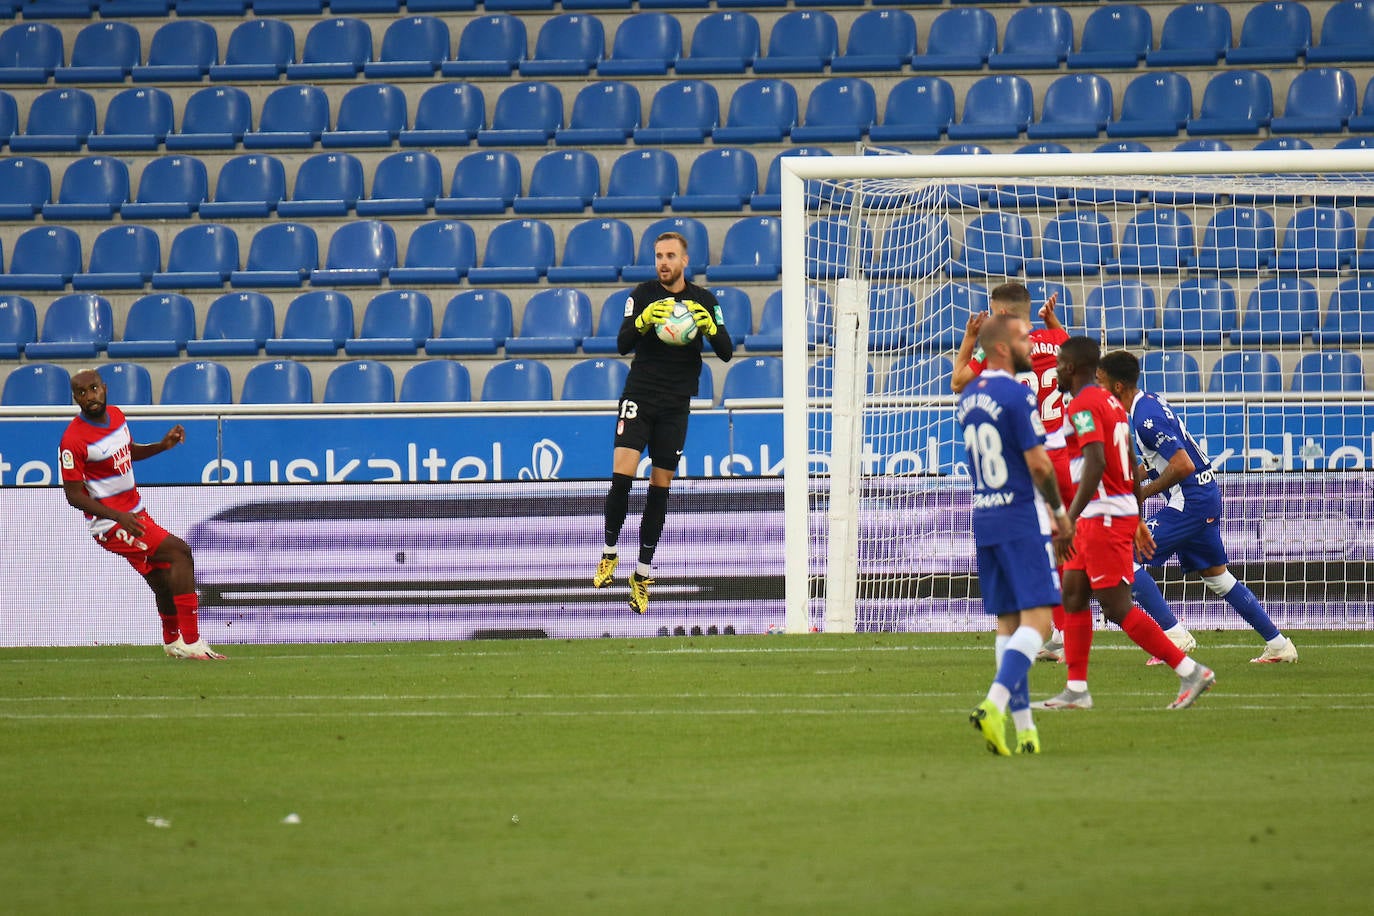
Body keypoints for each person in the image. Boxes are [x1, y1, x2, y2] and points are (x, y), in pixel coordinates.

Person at [1034, 337, 1214, 711]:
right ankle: (1076, 688)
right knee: (1073, 591)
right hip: (1108, 513)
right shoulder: (1114, 405)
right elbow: (1129, 460)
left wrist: (1068, 516)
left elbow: (1098, 461)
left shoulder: (1084, 404)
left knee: (1116, 606)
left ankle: (1190, 670)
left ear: (1074, 368)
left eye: (1060, 364)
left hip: (1101, 515)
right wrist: (1135, 515)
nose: (1055, 371)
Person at [1097, 350, 1298, 664]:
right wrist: (1124, 481)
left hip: (1189, 501)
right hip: (1203, 496)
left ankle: (1173, 633)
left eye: (1100, 381)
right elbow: (1158, 463)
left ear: (1117, 386)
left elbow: (1182, 464)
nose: (1098, 388)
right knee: (1217, 577)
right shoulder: (1149, 403)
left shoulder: (1145, 419)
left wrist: (1144, 493)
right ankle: (1278, 644)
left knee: (1121, 554)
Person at [593, 232, 733, 614]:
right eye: (658, 256)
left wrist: (710, 327)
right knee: (621, 475)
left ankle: (641, 574)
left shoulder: (704, 301)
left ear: (685, 260)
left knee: (660, 484)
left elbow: (726, 351)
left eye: (671, 255)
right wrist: (641, 321)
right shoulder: (641, 295)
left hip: (676, 404)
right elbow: (622, 344)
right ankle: (609, 552)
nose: (663, 262)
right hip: (639, 395)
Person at [959, 314, 1073, 756]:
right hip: (1021, 516)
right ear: (1004, 348)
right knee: (1040, 624)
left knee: (1009, 625)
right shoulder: (1015, 395)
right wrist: (1060, 512)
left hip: (984, 516)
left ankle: (1025, 732)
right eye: (1026, 339)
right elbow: (1040, 463)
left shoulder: (969, 397)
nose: (1033, 346)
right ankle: (994, 704)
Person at [59, 368, 225, 660]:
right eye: (82, 393)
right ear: (75, 398)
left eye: (94, 388)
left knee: (162, 579)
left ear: (105, 388)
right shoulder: (73, 440)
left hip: (134, 513)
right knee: (180, 554)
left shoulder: (118, 416)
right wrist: (117, 516)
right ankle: (192, 641)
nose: (90, 396)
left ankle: (173, 641)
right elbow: (73, 496)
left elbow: (128, 451)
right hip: (112, 524)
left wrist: (162, 446)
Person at [951, 282, 1075, 660]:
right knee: (1064, 548)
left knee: (1047, 549)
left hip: (1028, 460)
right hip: (1065, 455)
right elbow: (1073, 352)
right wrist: (1053, 322)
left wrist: (971, 338)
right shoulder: (1056, 339)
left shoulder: (1001, 354)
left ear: (1001, 315)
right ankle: (1059, 633)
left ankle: (1052, 633)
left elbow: (958, 381)